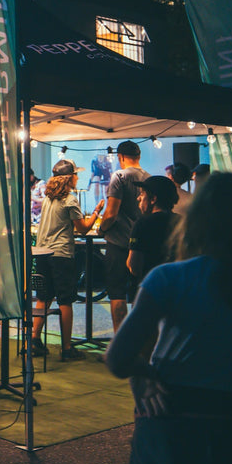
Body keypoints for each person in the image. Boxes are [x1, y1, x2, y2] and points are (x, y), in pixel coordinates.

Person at [104, 173, 232, 464]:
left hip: (170, 421)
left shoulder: (167, 278)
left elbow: (117, 358)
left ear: (196, 222)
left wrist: (147, 375)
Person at [32, 159, 104, 361]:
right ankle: (66, 348)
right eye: (76, 174)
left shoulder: (48, 198)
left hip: (42, 253)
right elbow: (82, 229)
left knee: (44, 297)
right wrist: (97, 212)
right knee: (65, 300)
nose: (78, 177)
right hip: (61, 255)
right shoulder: (70, 200)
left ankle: (35, 339)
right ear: (69, 177)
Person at [98, 140, 149, 332]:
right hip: (141, 244)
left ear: (120, 157)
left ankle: (120, 341)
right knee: (138, 294)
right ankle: (138, 342)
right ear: (139, 156)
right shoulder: (148, 177)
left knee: (117, 293)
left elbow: (110, 214)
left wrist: (102, 229)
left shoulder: (119, 176)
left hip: (119, 243)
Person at [126, 176, 181, 286]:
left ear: (153, 199)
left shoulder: (142, 224)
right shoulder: (182, 222)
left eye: (142, 194)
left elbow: (134, 267)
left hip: (151, 288)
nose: (138, 198)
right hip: (178, 287)